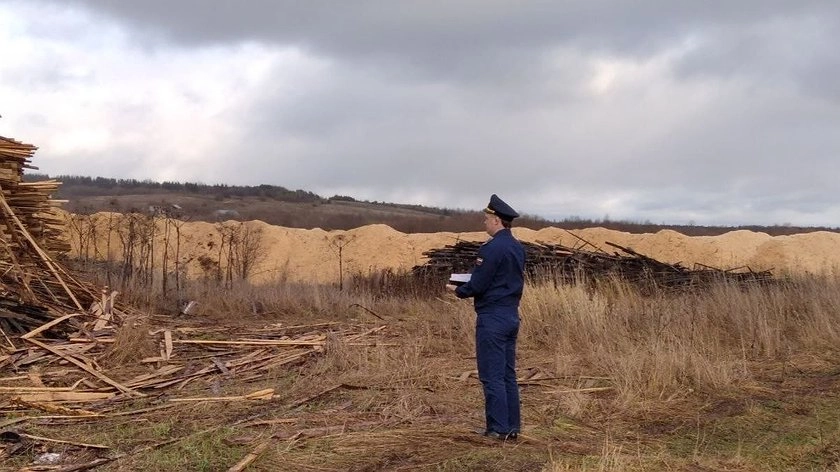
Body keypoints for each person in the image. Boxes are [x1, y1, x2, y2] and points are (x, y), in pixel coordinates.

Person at [446, 194, 525, 441]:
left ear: (496, 220)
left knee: (492, 375)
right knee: (507, 374)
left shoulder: (491, 248)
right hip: (511, 315)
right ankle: (512, 427)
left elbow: (479, 283)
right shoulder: (517, 247)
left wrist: (458, 290)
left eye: (486, 219)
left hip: (493, 318)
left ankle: (497, 428)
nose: (484, 223)